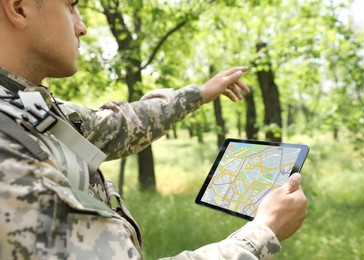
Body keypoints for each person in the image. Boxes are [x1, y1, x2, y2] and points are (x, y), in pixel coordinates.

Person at [0, 0, 307, 259]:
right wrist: (263, 232)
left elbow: (112, 127)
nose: (82, 27)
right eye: (70, 6)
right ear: (19, 8)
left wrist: (199, 94)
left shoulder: (25, 103)